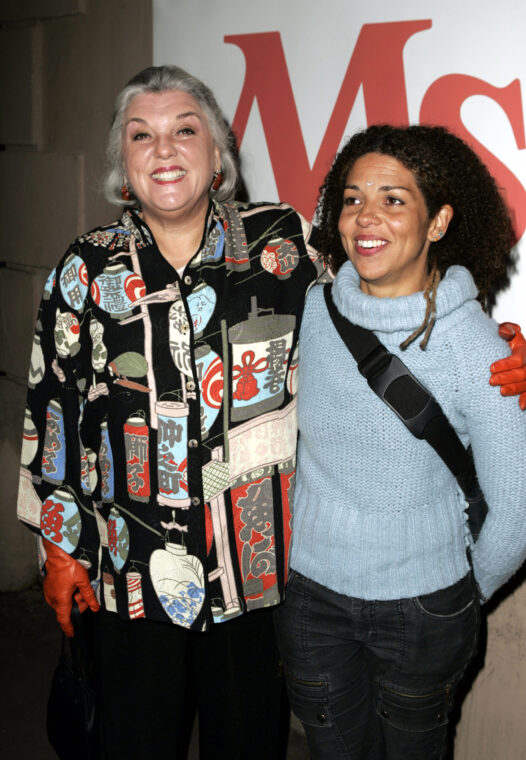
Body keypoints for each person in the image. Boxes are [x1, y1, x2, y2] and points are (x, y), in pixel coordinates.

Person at [15, 68, 525, 759]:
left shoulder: (281, 246)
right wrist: (58, 544)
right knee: (136, 740)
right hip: (130, 569)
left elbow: (379, 297)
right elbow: (53, 412)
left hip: (254, 575)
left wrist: (503, 349)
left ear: (219, 158)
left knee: (250, 743)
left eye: (184, 130)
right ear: (124, 168)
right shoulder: (84, 270)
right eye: (142, 135)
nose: (164, 148)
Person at [274, 124, 526, 760]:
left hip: (425, 611)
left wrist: (464, 591)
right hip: (311, 600)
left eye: (393, 199)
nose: (366, 217)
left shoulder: (476, 349)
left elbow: (517, 508)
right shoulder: (311, 312)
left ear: (438, 222)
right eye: (353, 198)